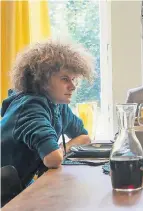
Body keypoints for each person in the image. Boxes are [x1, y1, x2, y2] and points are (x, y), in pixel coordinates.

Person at [1, 40, 95, 189]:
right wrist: (58, 151)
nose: (73, 86)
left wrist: (60, 150)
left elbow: (84, 138)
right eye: (65, 79)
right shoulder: (30, 107)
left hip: (19, 187)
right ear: (42, 79)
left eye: (74, 79)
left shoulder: (58, 105)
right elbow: (52, 158)